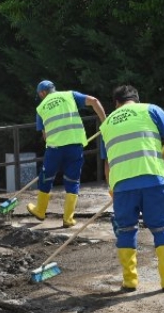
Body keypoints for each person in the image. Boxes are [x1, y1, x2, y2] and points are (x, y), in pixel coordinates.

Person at [100, 85, 164, 291]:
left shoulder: (106, 123)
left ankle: (130, 280)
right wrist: (161, 156)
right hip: (152, 180)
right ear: (136, 99)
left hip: (122, 185)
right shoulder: (150, 109)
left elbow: (107, 162)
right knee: (162, 227)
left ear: (116, 103)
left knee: (126, 230)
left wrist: (112, 187)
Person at [27, 80, 107, 228]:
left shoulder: (40, 108)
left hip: (55, 149)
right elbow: (94, 101)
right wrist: (105, 123)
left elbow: (45, 136)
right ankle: (68, 219)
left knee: (46, 177)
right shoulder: (70, 95)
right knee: (73, 180)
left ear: (43, 93)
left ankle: (40, 211)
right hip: (75, 146)